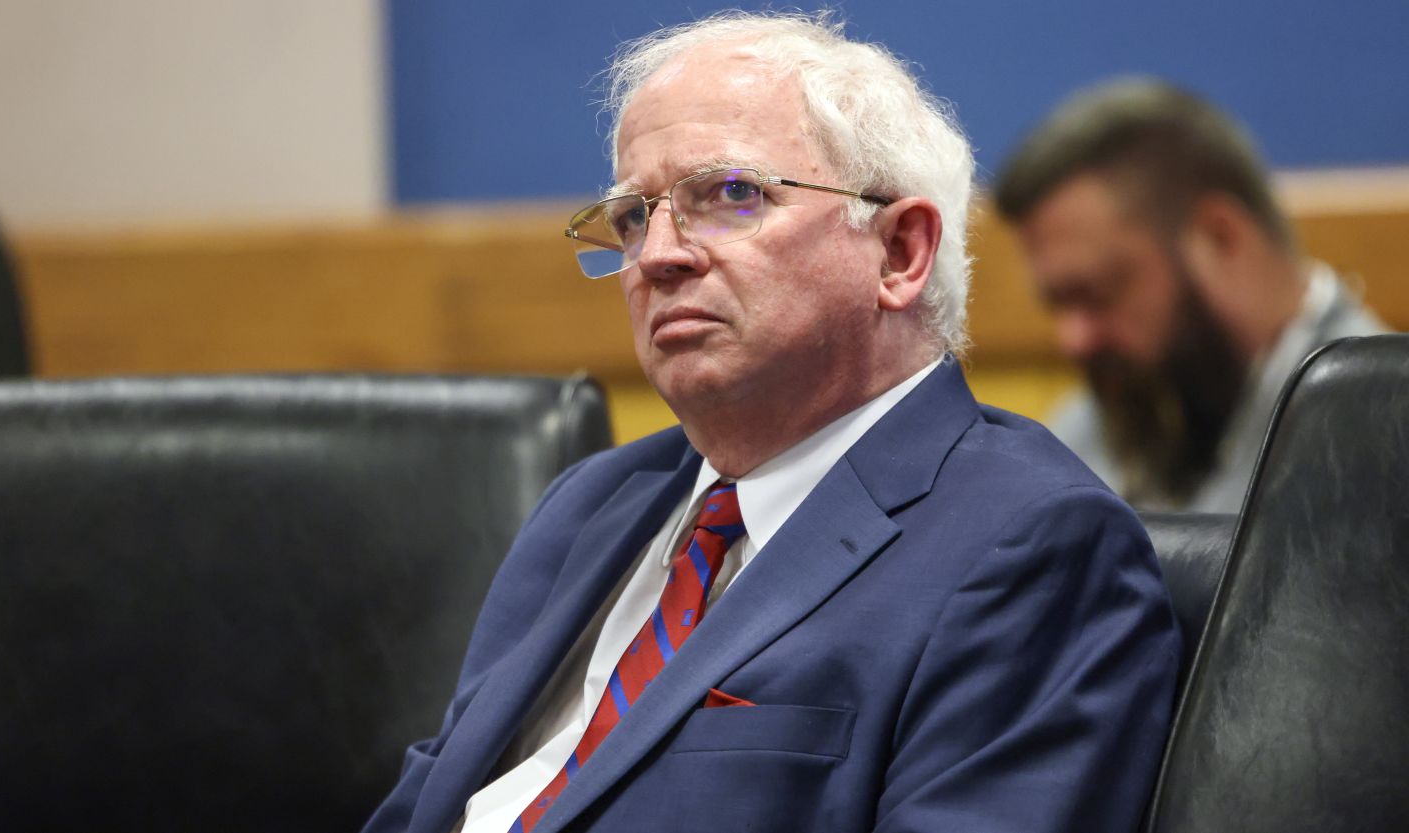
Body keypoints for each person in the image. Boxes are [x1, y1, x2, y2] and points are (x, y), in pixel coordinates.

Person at [365, 12, 1179, 833]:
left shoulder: (1034, 545)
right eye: (634, 217)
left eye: (729, 196)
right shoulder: (592, 504)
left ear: (899, 253)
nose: (658, 256)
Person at [994, 78, 1388, 512]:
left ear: (1220, 238)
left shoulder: (1386, 432)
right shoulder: (1087, 433)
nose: (1073, 339)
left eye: (1098, 294)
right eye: (1059, 305)